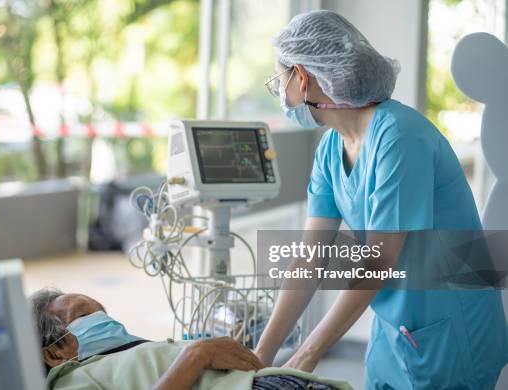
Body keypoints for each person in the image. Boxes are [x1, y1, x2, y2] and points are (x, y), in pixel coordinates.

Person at [254, 10, 507, 390]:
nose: (281, 95)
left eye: (280, 81)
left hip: (451, 330)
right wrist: (261, 357)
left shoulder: (400, 137)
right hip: (394, 331)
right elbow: (309, 258)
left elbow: (379, 260)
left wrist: (306, 354)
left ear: (302, 77)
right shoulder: (330, 150)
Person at [30, 288, 351, 390]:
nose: (104, 321)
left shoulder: (137, 354)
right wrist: (197, 355)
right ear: (54, 354)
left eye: (103, 313)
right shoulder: (71, 379)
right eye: (84, 315)